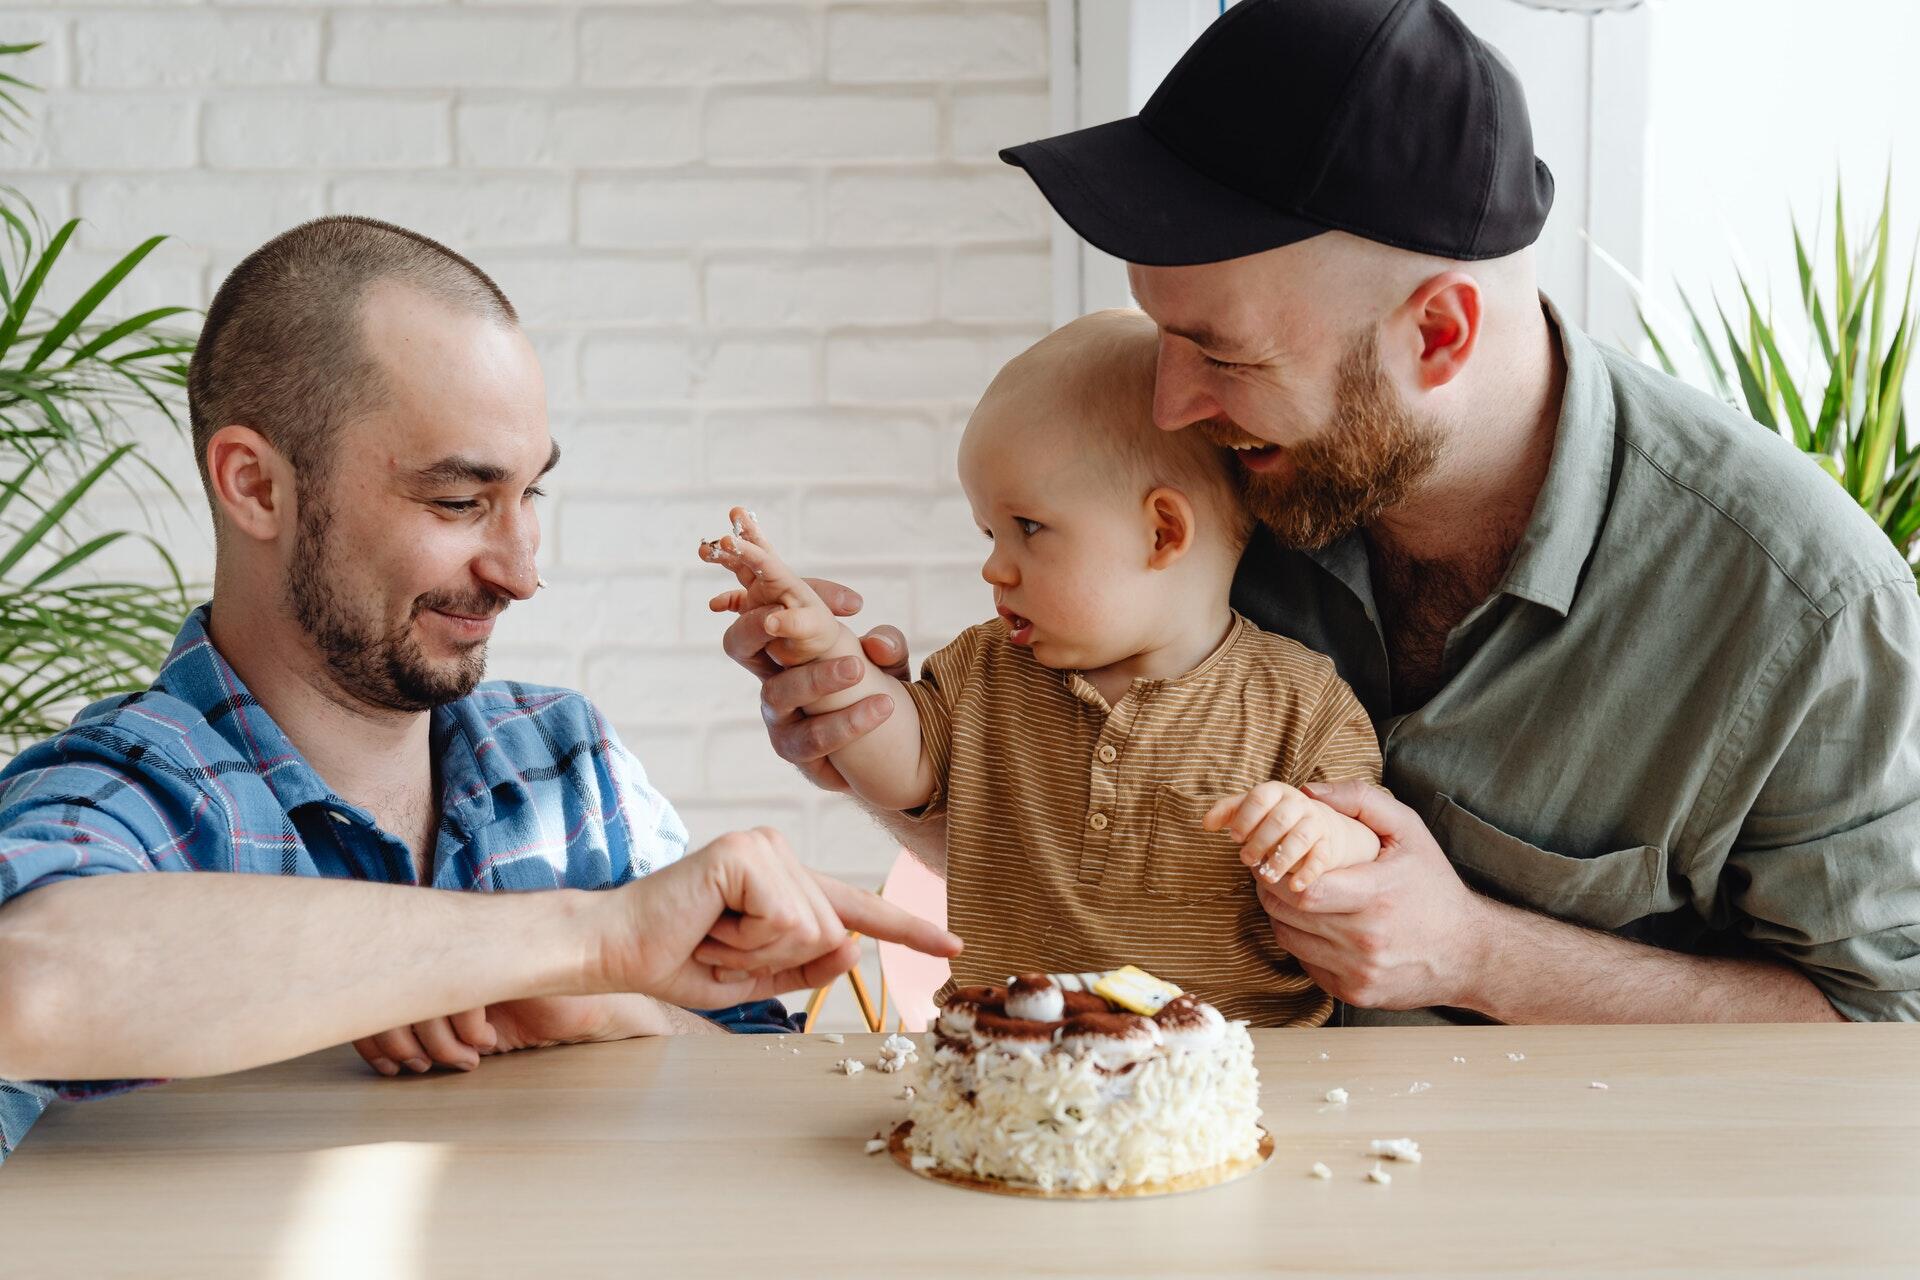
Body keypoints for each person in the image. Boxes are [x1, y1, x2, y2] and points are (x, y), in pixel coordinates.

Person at [724, 0, 1920, 1024]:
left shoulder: (1803, 606)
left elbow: (1883, 1025)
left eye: (1221, 353)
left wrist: (1477, 950)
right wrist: (874, 744)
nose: (1172, 401)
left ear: (1437, 334)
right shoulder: (1210, 485)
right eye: (1163, 331)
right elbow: (1069, 860)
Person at [0, 215, 961, 1163]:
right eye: (459, 502)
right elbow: (25, 982)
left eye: (527, 495)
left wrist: (623, 1017)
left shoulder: (565, 761)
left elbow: (759, 1119)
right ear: (254, 486)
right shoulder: (139, 789)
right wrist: (588, 937)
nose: (521, 573)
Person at [702, 311, 1381, 1026]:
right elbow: (898, 764)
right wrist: (827, 651)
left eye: (1027, 528)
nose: (994, 565)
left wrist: (1324, 839)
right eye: (990, 533)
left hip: (1224, 1086)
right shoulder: (985, 669)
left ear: (1162, 532)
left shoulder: (1305, 705)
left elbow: (1369, 861)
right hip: (1014, 1063)